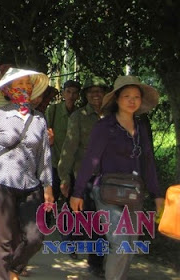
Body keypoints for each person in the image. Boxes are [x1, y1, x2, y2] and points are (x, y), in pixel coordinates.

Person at [70, 76, 164, 280]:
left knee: (129, 245)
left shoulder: (141, 127)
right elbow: (90, 160)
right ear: (117, 99)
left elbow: (148, 162)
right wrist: (77, 192)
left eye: (136, 97)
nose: (132, 100)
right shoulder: (105, 126)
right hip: (107, 192)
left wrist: (157, 194)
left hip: (133, 193)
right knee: (120, 242)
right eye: (127, 96)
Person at [0, 68, 52, 280]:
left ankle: (15, 269)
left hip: (31, 186)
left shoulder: (39, 119)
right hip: (1, 184)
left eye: (28, 84)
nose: (25, 88)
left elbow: (44, 156)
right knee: (4, 241)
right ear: (8, 90)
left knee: (35, 237)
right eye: (20, 84)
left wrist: (48, 187)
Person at [57, 76, 108, 276]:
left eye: (100, 91)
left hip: (111, 177)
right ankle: (94, 262)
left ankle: (99, 260)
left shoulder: (113, 115)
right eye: (91, 92)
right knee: (94, 220)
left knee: (105, 221)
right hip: (86, 177)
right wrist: (64, 177)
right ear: (85, 95)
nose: (96, 95)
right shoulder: (78, 117)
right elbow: (69, 148)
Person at [45, 79, 81, 202]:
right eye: (68, 92)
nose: (71, 96)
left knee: (72, 200)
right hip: (54, 162)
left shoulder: (79, 114)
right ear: (63, 93)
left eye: (74, 93)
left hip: (72, 165)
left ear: (78, 95)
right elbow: (46, 132)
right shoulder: (53, 110)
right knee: (50, 200)